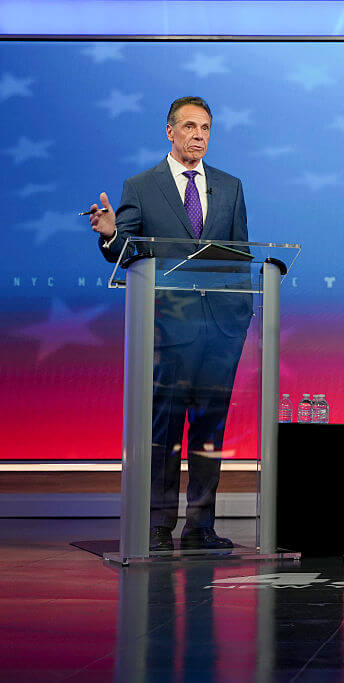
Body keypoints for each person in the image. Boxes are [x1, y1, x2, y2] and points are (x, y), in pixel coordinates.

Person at [87, 96, 252, 552]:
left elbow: (241, 255)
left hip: (220, 330)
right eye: (190, 127)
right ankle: (158, 524)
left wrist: (241, 316)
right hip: (167, 329)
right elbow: (126, 250)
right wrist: (111, 235)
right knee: (165, 429)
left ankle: (201, 526)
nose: (199, 136)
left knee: (209, 429)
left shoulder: (230, 186)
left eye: (205, 128)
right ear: (170, 131)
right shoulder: (142, 186)